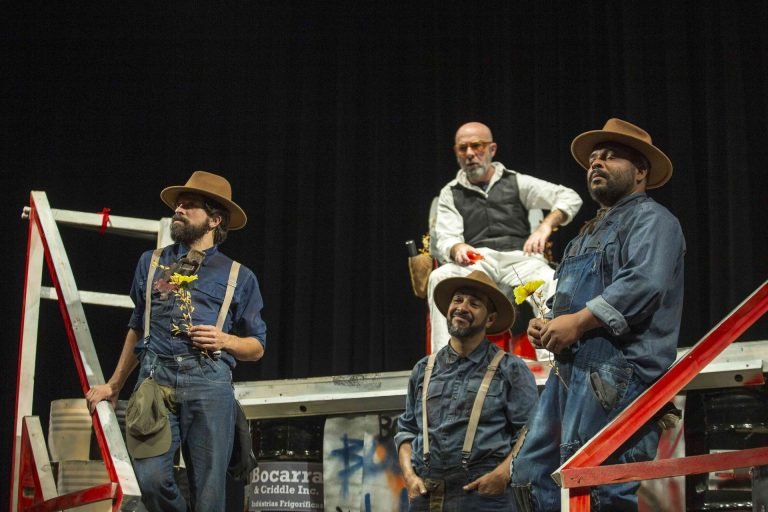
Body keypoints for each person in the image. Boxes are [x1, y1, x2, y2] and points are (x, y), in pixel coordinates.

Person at [510, 118, 685, 511]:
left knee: (598, 484)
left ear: (641, 171)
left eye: (610, 156)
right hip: (570, 372)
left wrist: (577, 323)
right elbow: (567, 301)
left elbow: (644, 284)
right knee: (531, 473)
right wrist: (548, 324)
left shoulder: (653, 221)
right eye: (592, 159)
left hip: (620, 372)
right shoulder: (583, 235)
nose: (596, 164)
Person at [86, 170, 267, 511]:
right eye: (178, 204)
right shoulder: (151, 262)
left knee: (209, 496)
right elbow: (138, 326)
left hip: (208, 384)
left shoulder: (239, 276)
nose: (179, 210)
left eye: (190, 205)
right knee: (150, 479)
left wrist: (225, 339)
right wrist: (115, 384)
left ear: (214, 220)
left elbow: (257, 346)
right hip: (155, 379)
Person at [428, 122, 583, 353]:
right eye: (463, 148)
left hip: (520, 259)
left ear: (492, 149)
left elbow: (569, 197)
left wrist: (545, 227)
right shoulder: (450, 192)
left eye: (477, 146)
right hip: (479, 260)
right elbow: (446, 237)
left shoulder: (516, 181)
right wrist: (457, 246)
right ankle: (444, 359)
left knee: (552, 281)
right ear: (456, 153)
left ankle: (553, 361)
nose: (470, 154)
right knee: (440, 276)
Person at [396, 270, 538, 511]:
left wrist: (503, 475)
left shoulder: (510, 369)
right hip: (428, 497)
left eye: (474, 304)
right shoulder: (423, 369)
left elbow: (530, 431)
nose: (462, 307)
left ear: (490, 319)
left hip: (484, 497)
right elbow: (406, 430)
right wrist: (409, 476)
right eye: (458, 300)